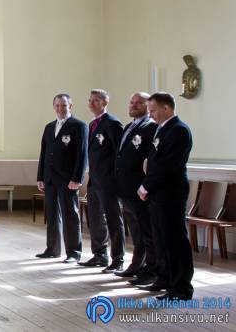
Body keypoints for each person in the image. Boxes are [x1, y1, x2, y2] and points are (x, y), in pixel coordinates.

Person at [138, 92, 194, 300]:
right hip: (158, 192)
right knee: (160, 238)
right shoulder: (162, 129)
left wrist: (146, 186)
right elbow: (153, 159)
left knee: (174, 240)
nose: (150, 114)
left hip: (170, 192)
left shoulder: (179, 130)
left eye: (153, 110)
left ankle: (181, 287)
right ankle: (164, 278)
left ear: (166, 108)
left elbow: (168, 165)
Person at [36, 93, 87, 264]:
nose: (60, 108)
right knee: (51, 215)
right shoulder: (49, 127)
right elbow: (44, 153)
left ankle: (74, 252)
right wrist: (40, 177)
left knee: (70, 216)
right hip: (50, 179)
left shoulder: (79, 126)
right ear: (54, 107)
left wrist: (77, 178)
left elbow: (82, 155)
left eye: (64, 105)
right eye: (57, 105)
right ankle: (52, 249)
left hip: (68, 180)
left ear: (70, 106)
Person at [113, 92, 158, 285]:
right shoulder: (129, 126)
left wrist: (145, 185)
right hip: (125, 188)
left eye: (139, 103)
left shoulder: (151, 127)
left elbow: (151, 159)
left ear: (148, 106)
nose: (133, 105)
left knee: (147, 231)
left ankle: (151, 269)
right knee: (135, 231)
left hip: (139, 189)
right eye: (131, 102)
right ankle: (136, 265)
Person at [79, 89, 126, 272]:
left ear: (105, 103)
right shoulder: (92, 124)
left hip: (108, 181)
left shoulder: (112, 124)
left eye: (96, 100)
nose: (91, 103)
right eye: (90, 100)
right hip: (94, 181)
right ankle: (100, 255)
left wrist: (116, 179)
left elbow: (119, 153)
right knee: (96, 219)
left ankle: (118, 259)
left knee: (113, 220)